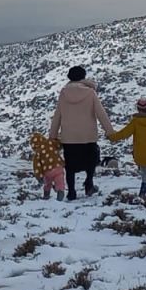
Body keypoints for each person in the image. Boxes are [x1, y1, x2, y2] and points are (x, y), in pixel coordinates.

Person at [47, 65, 115, 200]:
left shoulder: (64, 93)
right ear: (83, 77)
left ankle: (71, 192)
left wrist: (52, 136)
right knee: (90, 162)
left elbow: (57, 116)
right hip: (88, 136)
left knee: (70, 166)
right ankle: (89, 184)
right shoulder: (90, 93)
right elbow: (101, 114)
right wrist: (110, 132)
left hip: (69, 138)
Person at [107, 96, 146, 206]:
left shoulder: (135, 122)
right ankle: (144, 194)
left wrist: (112, 137)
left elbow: (124, 133)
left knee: (144, 172)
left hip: (139, 155)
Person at [29, 132, 66, 201]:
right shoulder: (50, 142)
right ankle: (60, 192)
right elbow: (59, 145)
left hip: (47, 171)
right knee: (59, 180)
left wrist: (39, 176)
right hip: (58, 166)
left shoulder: (37, 153)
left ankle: (46, 195)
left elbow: (37, 166)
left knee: (47, 183)